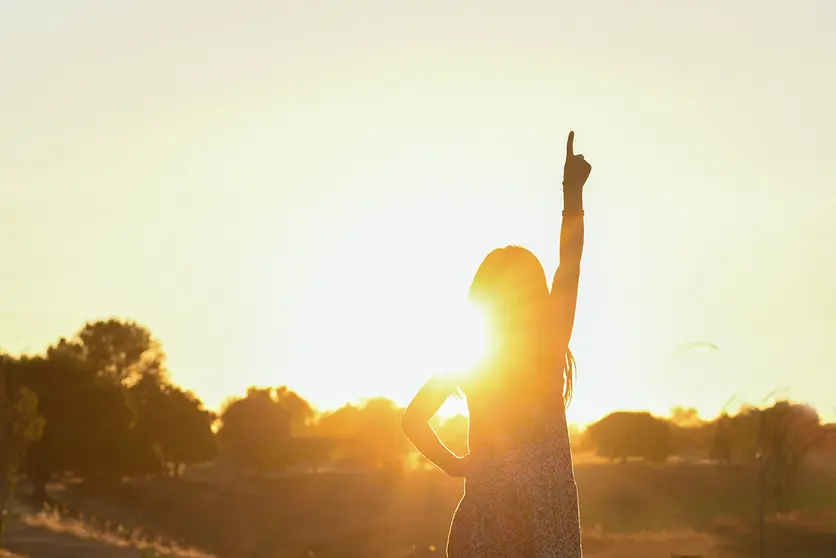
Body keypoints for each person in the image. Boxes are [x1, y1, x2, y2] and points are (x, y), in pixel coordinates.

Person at [401, 131, 591, 557]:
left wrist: (456, 464)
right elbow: (570, 264)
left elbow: (413, 420)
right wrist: (572, 194)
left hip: (490, 514)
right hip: (544, 518)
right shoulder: (546, 352)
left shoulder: (473, 360)